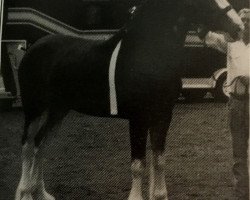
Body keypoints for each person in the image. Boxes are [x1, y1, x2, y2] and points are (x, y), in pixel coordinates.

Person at [198, 8, 250, 200]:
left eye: (249, 21)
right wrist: (204, 18)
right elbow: (205, 35)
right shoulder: (230, 46)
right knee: (238, 153)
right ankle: (241, 195)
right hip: (236, 104)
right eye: (243, 21)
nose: (245, 25)